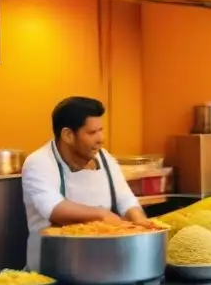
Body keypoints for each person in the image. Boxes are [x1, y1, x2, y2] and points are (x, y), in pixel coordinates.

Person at [21, 97, 148, 271]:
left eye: (101, 130)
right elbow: (52, 208)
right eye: (91, 133)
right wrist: (102, 215)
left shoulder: (105, 158)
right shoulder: (39, 162)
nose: (101, 139)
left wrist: (141, 224)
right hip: (52, 270)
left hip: (105, 267)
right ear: (68, 135)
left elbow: (126, 200)